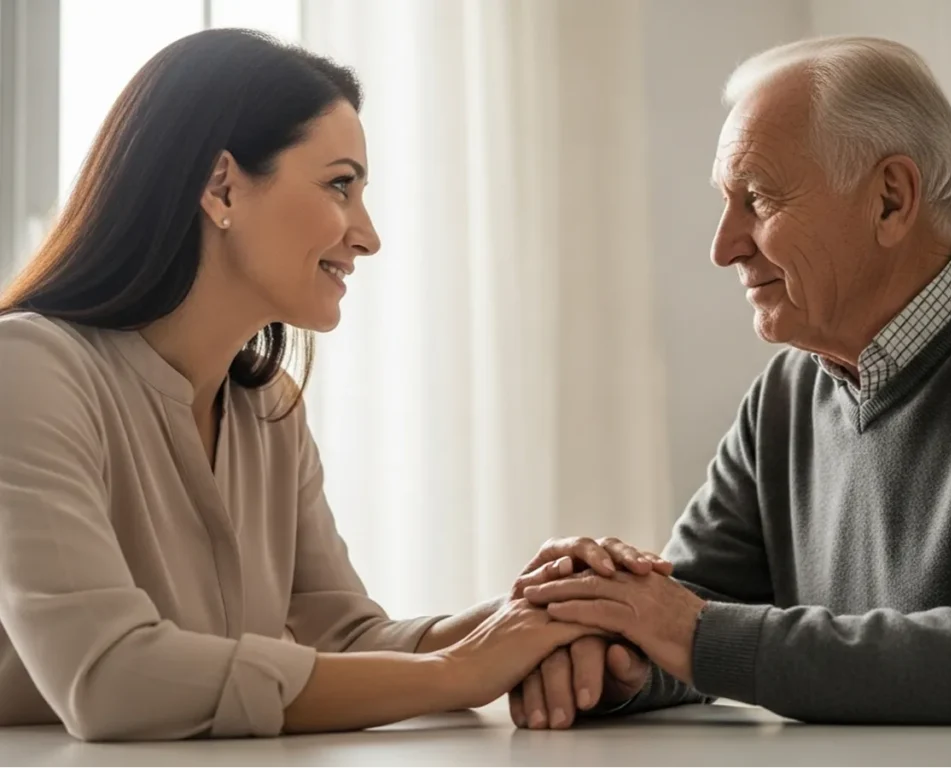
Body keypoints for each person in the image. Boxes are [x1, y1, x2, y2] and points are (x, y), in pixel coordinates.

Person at [0, 29, 672, 741]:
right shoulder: (29, 369)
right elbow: (110, 680)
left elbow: (348, 639)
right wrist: (460, 672)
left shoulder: (268, 410)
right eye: (339, 185)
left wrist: (550, 609)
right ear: (220, 184)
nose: (368, 235)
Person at [513, 35, 951, 727]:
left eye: (756, 199)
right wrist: (608, 643)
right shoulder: (784, 396)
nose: (724, 246)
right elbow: (697, 604)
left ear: (890, 201)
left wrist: (688, 634)